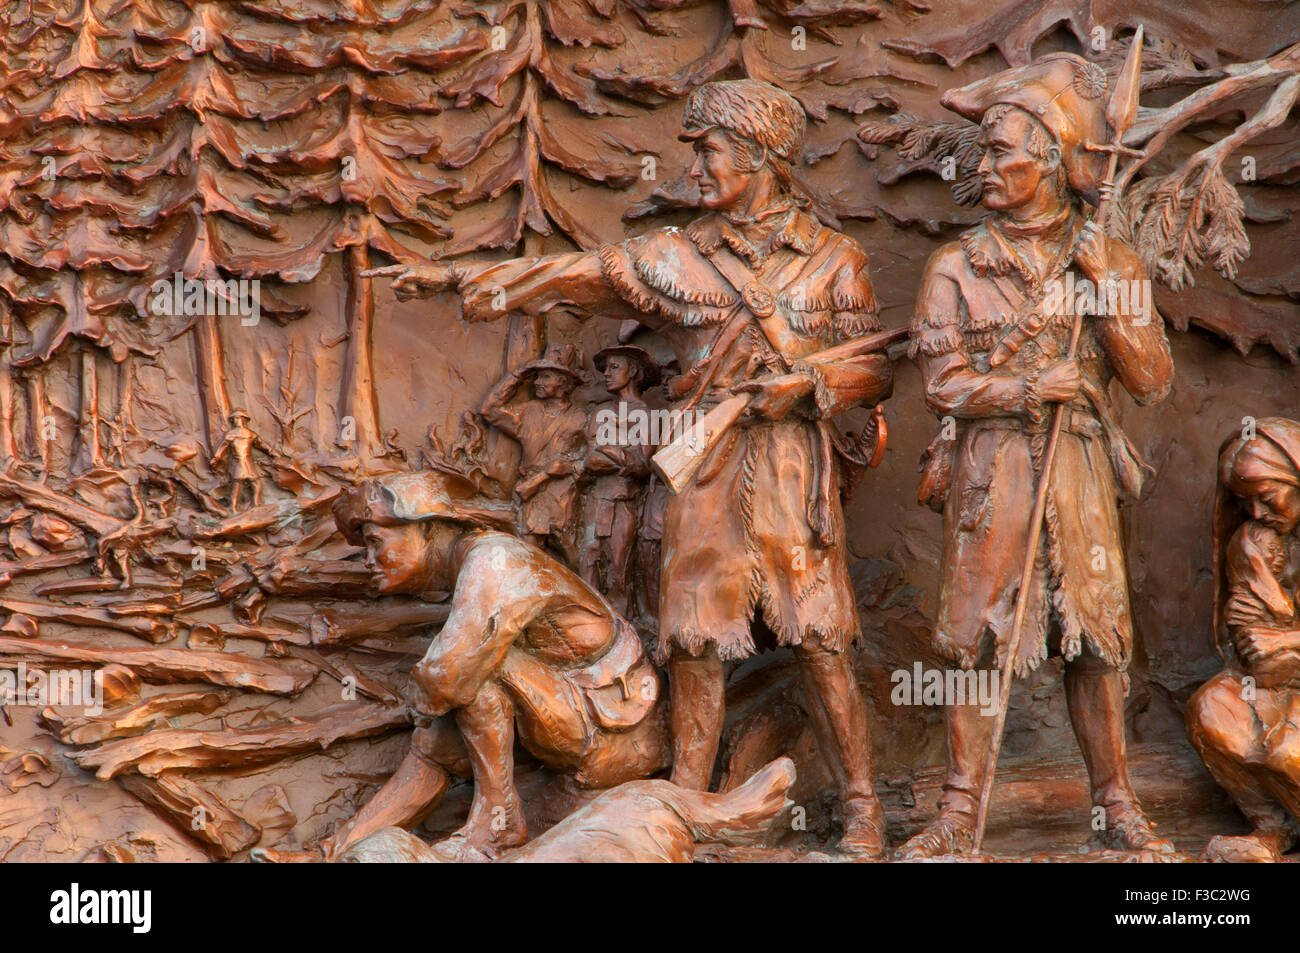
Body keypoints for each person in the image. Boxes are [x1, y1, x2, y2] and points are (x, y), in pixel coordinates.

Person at [372, 79, 895, 856]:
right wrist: (471, 281)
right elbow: (585, 273)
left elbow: (875, 373)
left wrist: (808, 384)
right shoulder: (680, 255)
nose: (699, 165)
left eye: (712, 149)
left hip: (790, 474)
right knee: (695, 646)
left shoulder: (832, 262)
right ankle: (689, 808)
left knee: (820, 638)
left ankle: (863, 808)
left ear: (757, 157)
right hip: (702, 475)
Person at [900, 53, 1176, 858]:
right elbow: (942, 383)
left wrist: (1109, 291)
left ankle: (1116, 804)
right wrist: (1023, 389)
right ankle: (957, 813)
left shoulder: (1108, 258)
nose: (985, 168)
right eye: (982, 154)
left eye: (1003, 154)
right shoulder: (955, 265)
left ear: (1052, 161)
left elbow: (1153, 379)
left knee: (1095, 642)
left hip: (1079, 471)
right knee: (977, 640)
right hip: (993, 474)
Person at [255, 469, 668, 861]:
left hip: (615, 736)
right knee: (437, 741)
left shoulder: (495, 559)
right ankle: (329, 854)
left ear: (429, 528)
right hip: (576, 718)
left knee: (474, 670)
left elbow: (448, 674)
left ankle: (497, 824)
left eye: (376, 541)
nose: (368, 560)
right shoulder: (477, 564)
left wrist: (428, 697)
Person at [1188, 418, 1300, 862]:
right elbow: (1256, 656)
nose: (1256, 512)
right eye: (1243, 501)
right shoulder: (1255, 541)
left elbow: (1271, 642)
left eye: (1267, 497)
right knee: (1215, 706)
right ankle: (1275, 828)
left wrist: (1285, 640)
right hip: (1282, 687)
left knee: (1289, 753)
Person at [480, 344, 588, 568]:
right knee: (528, 556)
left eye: (545, 376)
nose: (537, 382)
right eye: (537, 376)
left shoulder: (581, 418)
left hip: (563, 494)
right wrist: (518, 375)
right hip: (531, 490)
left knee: (571, 555)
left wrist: (571, 467)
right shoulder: (529, 411)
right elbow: (489, 410)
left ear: (564, 383)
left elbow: (593, 458)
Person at [579, 345, 660, 619]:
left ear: (633, 371)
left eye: (614, 367)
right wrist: (623, 455)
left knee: (618, 570)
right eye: (605, 368)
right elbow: (590, 461)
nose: (606, 374)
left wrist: (611, 450)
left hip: (624, 503)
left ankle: (621, 632)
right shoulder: (600, 412)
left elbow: (642, 465)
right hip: (597, 500)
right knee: (588, 561)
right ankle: (588, 626)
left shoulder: (647, 414)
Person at [209, 409, 274, 512]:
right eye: (234, 419)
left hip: (248, 462)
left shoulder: (250, 434)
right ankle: (233, 507)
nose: (235, 420)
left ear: (243, 419)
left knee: (255, 481)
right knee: (236, 484)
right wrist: (216, 458)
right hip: (237, 462)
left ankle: (256, 503)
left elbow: (262, 445)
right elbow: (223, 447)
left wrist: (274, 454)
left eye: (238, 418)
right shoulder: (231, 434)